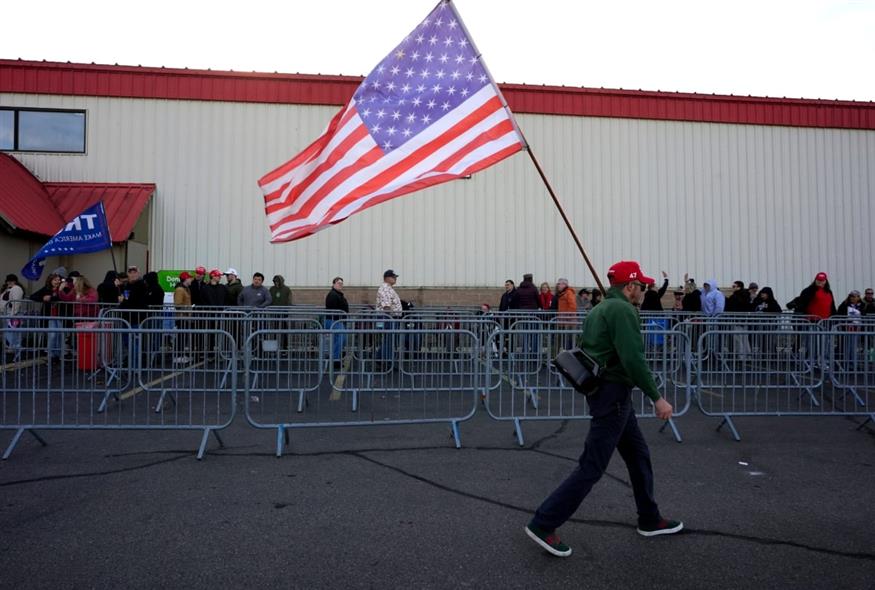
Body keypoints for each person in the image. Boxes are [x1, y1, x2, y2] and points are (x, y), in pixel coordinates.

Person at [525, 261, 682, 558]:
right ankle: (543, 523)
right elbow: (633, 358)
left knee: (638, 456)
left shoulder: (600, 309)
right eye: (643, 287)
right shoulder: (622, 310)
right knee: (592, 465)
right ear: (630, 287)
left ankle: (649, 517)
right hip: (613, 395)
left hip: (608, 392)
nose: (645, 292)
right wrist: (656, 397)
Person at [29, 274, 63, 358]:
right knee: (52, 335)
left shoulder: (62, 289)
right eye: (55, 280)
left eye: (59, 280)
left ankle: (58, 354)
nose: (57, 282)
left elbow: (64, 298)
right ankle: (51, 354)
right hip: (49, 316)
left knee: (60, 335)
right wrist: (43, 298)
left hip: (61, 315)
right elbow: (33, 296)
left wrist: (50, 298)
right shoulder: (46, 289)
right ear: (50, 281)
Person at [376, 270, 402, 364]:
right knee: (390, 339)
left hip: (390, 317)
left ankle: (380, 358)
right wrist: (390, 318)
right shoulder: (385, 288)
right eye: (393, 276)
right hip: (388, 317)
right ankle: (387, 361)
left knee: (389, 339)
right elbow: (386, 306)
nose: (395, 278)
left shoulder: (389, 288)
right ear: (387, 278)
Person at [325, 276, 349, 364]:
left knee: (338, 339)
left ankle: (333, 356)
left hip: (337, 320)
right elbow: (333, 309)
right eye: (338, 283)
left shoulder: (337, 294)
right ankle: (334, 358)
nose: (340, 285)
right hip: (334, 320)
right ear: (334, 284)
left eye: (341, 283)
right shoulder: (333, 295)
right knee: (342, 337)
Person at [2, 274, 26, 358]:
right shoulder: (8, 289)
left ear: (14, 281)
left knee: (13, 331)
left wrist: (13, 314)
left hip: (13, 314)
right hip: (9, 314)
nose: (9, 282)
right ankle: (13, 346)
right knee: (10, 331)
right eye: (8, 280)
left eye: (11, 281)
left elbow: (16, 303)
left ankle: (15, 347)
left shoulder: (16, 289)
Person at [173, 272, 194, 364]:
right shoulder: (180, 290)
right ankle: (178, 356)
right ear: (185, 279)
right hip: (181, 317)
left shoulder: (186, 289)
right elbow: (177, 304)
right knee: (181, 336)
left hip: (185, 317)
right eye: (189, 278)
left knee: (183, 336)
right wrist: (187, 309)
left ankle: (181, 355)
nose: (191, 280)